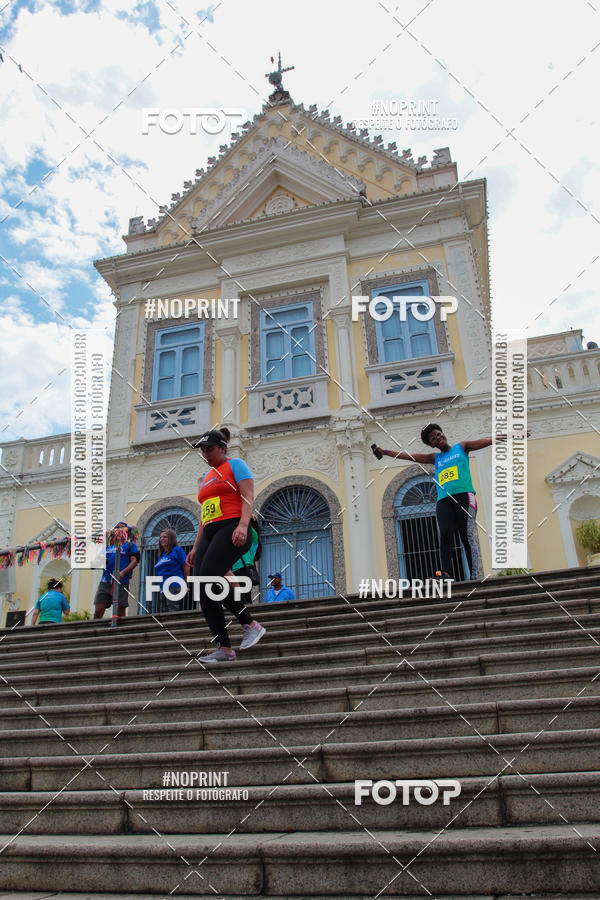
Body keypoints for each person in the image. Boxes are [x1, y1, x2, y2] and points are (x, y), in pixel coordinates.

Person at [374, 424, 502, 581]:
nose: (438, 438)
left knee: (467, 536)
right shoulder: (435, 458)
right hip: (444, 501)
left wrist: (510, 435)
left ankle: (474, 576)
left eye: (438, 434)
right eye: (433, 438)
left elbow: (486, 440)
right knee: (445, 534)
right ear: (431, 444)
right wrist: (385, 452)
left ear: (443, 433)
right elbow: (409, 456)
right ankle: (445, 574)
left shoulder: (461, 447)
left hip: (464, 496)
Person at [188, 428, 266, 662]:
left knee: (209, 577)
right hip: (209, 532)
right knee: (201, 587)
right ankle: (224, 647)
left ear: (222, 448)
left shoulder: (236, 465)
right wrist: (195, 546)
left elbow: (247, 497)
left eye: (210, 449)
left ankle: (250, 624)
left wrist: (243, 525)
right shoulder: (207, 477)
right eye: (203, 451)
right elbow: (204, 515)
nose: (206, 454)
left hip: (231, 527)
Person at [94, 522, 140, 619]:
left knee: (119, 610)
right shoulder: (108, 545)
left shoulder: (130, 545)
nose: (118, 529)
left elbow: (134, 561)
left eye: (121, 527)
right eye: (116, 527)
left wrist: (122, 573)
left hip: (121, 581)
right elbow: (97, 560)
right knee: (98, 609)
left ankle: (121, 628)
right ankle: (96, 628)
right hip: (105, 581)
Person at [155, 528, 190, 613]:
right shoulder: (162, 555)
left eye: (165, 537)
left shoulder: (177, 550)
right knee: (164, 613)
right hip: (163, 587)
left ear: (171, 539)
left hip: (174, 585)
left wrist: (185, 584)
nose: (162, 539)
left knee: (172, 611)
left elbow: (186, 566)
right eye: (160, 537)